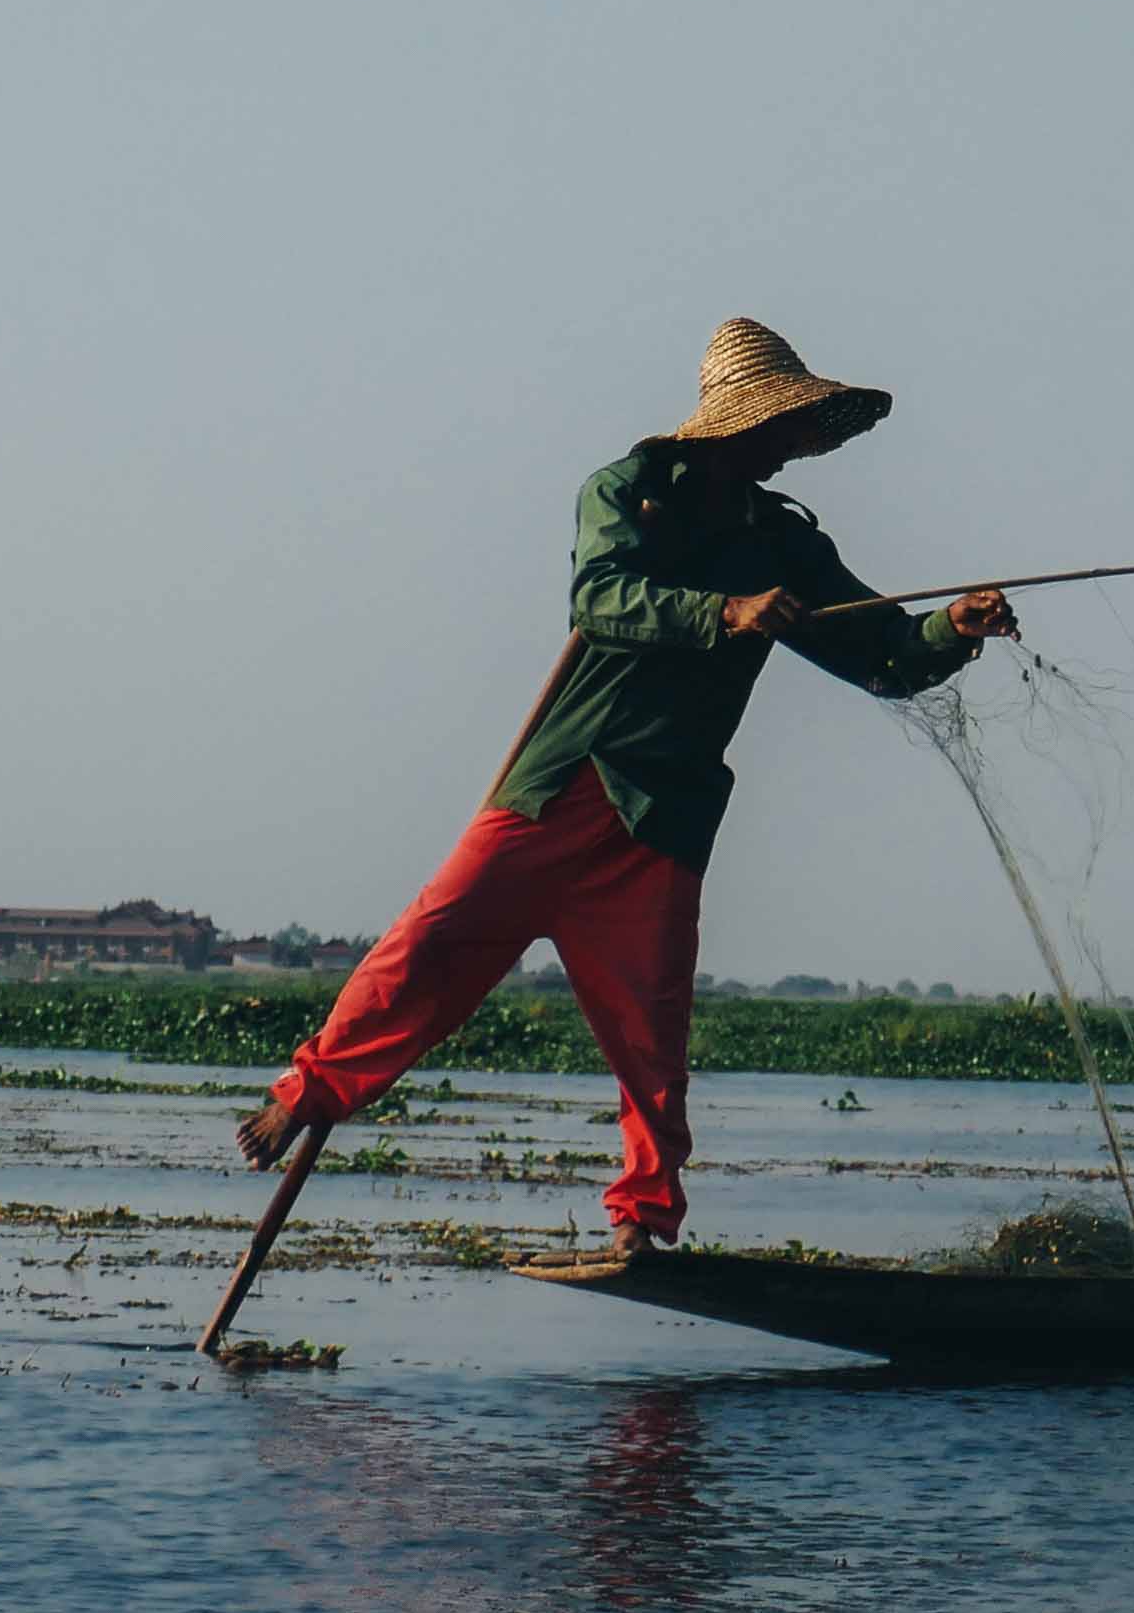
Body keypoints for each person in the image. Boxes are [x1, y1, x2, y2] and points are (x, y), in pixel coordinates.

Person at [238, 318, 1013, 1265]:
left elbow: (885, 657)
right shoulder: (627, 494)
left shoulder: (783, 544)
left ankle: (642, 1222)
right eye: (774, 426)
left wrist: (954, 629)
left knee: (651, 1040)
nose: (784, 446)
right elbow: (599, 599)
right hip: (564, 784)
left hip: (664, 818)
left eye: (792, 429)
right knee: (428, 944)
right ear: (728, 427)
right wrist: (723, 612)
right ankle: (304, 1095)